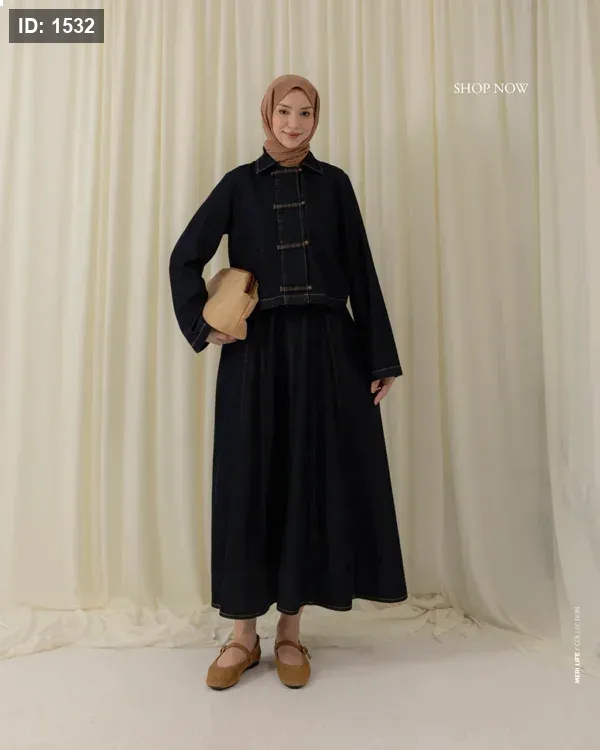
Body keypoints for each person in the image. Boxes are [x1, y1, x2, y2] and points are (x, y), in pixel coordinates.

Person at [169, 74, 407, 690]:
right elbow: (184, 256)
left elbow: (360, 269)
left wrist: (378, 358)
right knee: (249, 480)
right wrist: (203, 324)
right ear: (266, 115)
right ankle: (242, 636)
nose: (294, 123)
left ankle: (291, 633)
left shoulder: (335, 185)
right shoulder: (237, 185)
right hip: (256, 351)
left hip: (326, 351)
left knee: (308, 480)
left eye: (305, 113)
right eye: (284, 111)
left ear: (316, 120)